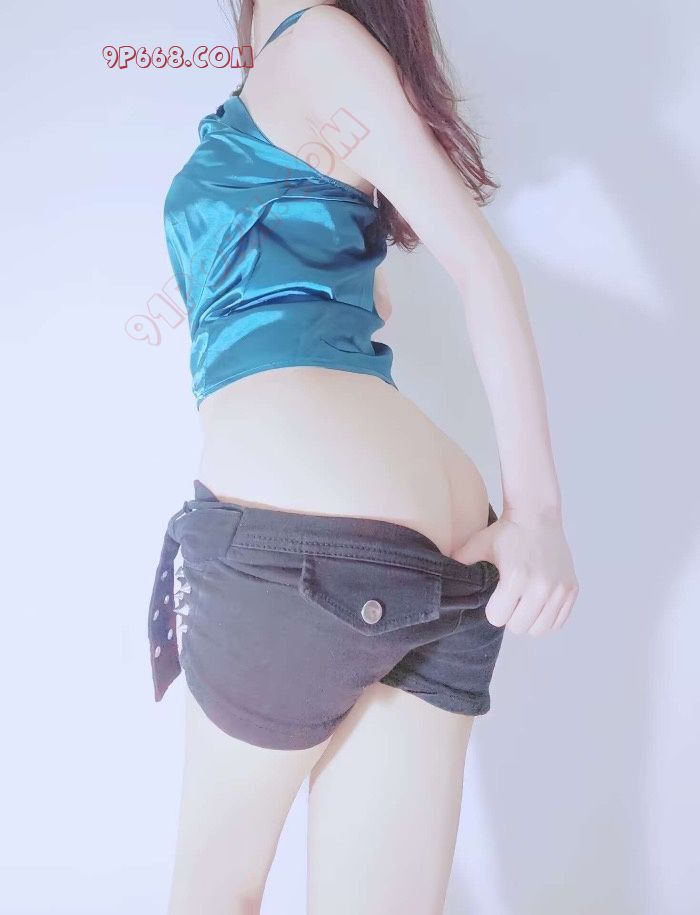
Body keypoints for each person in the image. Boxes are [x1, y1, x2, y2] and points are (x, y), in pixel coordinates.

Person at [148, 2, 579, 912]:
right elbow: (360, 294)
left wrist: (538, 512)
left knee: (212, 889)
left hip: (305, 536)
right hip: (412, 543)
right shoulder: (301, 66)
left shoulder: (314, 40)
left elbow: (481, 265)